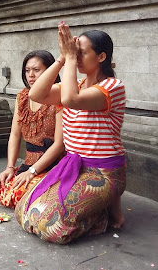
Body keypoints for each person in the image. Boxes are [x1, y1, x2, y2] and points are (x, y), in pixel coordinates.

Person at [15, 25, 126, 244]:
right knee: (24, 212)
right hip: (73, 168)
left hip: (102, 174)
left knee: (50, 227)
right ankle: (100, 209)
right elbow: (35, 94)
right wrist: (61, 59)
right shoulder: (75, 85)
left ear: (101, 56)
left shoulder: (113, 87)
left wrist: (70, 61)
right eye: (74, 52)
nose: (76, 57)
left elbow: (70, 100)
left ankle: (101, 216)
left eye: (81, 52)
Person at [0, 51, 64, 208]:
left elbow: (60, 145)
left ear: (50, 71)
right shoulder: (22, 97)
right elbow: (14, 134)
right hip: (29, 162)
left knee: (26, 194)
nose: (31, 75)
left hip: (53, 164)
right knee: (3, 186)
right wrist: (10, 167)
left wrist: (33, 171)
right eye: (27, 70)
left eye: (36, 70)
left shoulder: (59, 96)